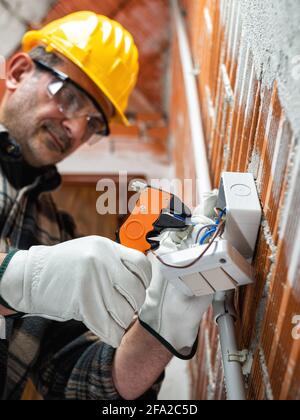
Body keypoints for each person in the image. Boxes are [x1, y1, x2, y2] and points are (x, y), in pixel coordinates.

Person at [0, 12, 212, 400]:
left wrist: (159, 329)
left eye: (93, 123)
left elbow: (80, 384)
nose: (77, 129)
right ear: (17, 71)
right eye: (70, 97)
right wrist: (16, 277)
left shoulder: (55, 233)